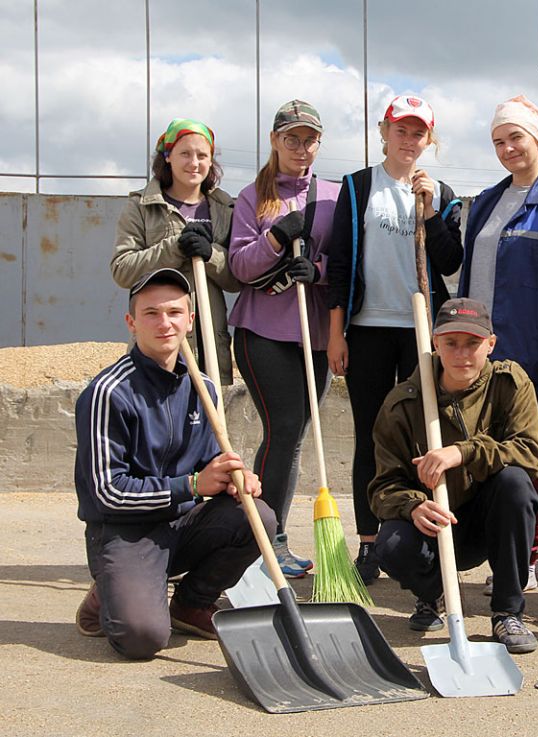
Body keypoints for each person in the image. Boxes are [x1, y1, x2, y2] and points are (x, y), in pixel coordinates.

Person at [73, 268, 276, 660]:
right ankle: (108, 591)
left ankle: (191, 603)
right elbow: (107, 493)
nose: (164, 323)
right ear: (131, 323)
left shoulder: (203, 387)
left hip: (181, 524)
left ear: (191, 320)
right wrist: (193, 486)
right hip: (124, 530)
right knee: (142, 638)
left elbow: (206, 466)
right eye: (151, 313)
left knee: (258, 517)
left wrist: (234, 478)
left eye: (174, 313)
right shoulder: (107, 393)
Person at [326, 95, 463, 583]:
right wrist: (335, 333)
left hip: (421, 331)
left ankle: (413, 532)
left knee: (424, 433)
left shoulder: (441, 193)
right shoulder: (359, 186)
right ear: (383, 132)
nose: (409, 140)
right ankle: (368, 540)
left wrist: (428, 212)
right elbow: (339, 262)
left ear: (429, 140)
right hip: (368, 329)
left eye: (418, 132)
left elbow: (448, 262)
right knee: (370, 433)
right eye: (400, 130)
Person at [369, 298, 538, 653]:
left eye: (472, 344)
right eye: (451, 343)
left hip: (489, 520)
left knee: (516, 485)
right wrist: (414, 506)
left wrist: (462, 452)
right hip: (433, 526)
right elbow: (382, 489)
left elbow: (530, 454)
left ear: (490, 345)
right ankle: (433, 594)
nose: (462, 354)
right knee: (389, 545)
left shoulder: (509, 384)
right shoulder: (402, 404)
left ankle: (508, 611)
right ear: (435, 343)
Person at [458, 95, 538, 590]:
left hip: (530, 353)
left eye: (516, 138)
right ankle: (524, 550)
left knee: (534, 451)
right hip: (479, 355)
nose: (508, 148)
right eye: (498, 141)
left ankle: (530, 554)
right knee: (489, 454)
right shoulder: (487, 201)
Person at [227, 100, 338, 577]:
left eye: (309, 138)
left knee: (293, 436)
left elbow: (349, 263)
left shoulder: (334, 196)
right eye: (291, 138)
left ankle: (262, 535)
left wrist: (316, 269)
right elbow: (239, 266)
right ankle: (266, 540)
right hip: (263, 331)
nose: (300, 147)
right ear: (274, 140)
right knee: (286, 427)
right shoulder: (254, 196)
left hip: (315, 335)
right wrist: (275, 239)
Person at [111, 118, 239, 388]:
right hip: (159, 341)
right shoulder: (142, 206)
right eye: (185, 153)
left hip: (210, 346)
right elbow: (122, 270)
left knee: (210, 424)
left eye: (202, 155)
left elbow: (237, 279)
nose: (194, 163)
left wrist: (211, 256)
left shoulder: (224, 208)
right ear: (168, 157)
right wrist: (173, 248)